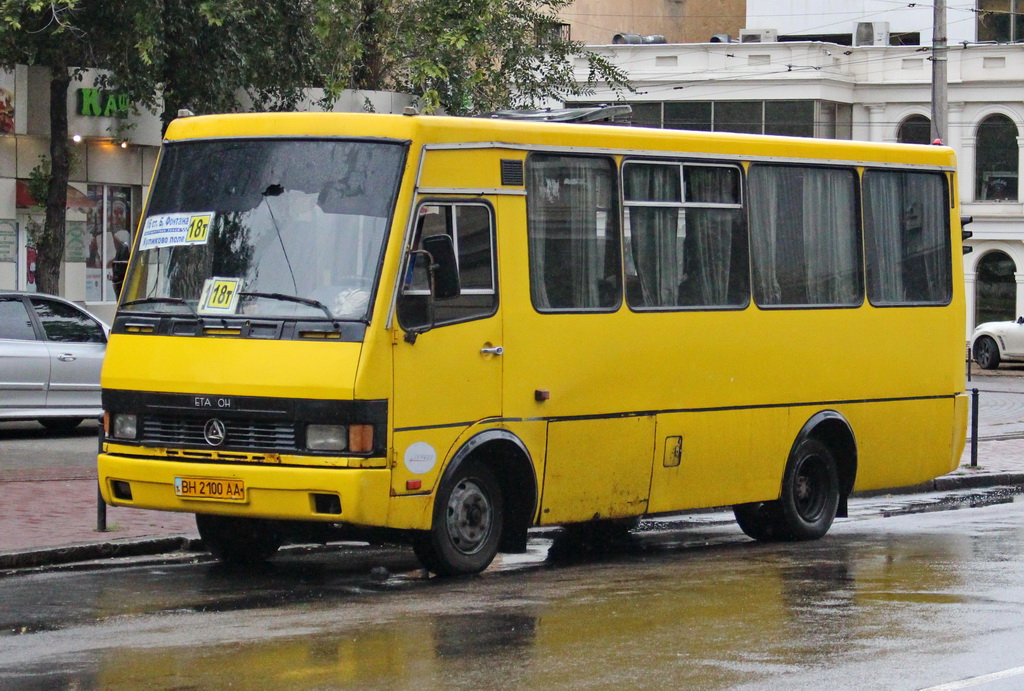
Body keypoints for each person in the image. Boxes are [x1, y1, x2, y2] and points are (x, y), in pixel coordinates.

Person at [111, 230, 130, 298]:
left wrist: (117, 275)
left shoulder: (123, 248)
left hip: (120, 278)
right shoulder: (120, 248)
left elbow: (121, 264)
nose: (114, 243)